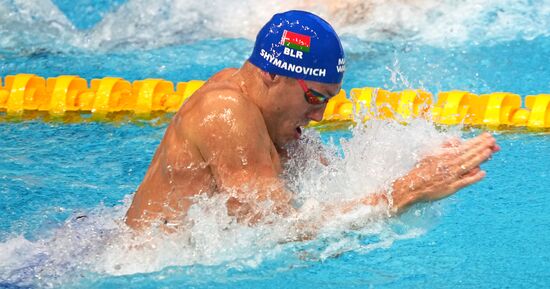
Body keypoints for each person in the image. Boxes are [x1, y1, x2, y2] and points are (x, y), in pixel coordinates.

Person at [125, 10, 499, 231]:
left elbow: (334, 185)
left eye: (327, 100)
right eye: (313, 97)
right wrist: (406, 192)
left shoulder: (267, 116)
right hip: (132, 268)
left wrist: (419, 162)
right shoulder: (226, 113)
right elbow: (280, 232)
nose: (319, 114)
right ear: (273, 75)